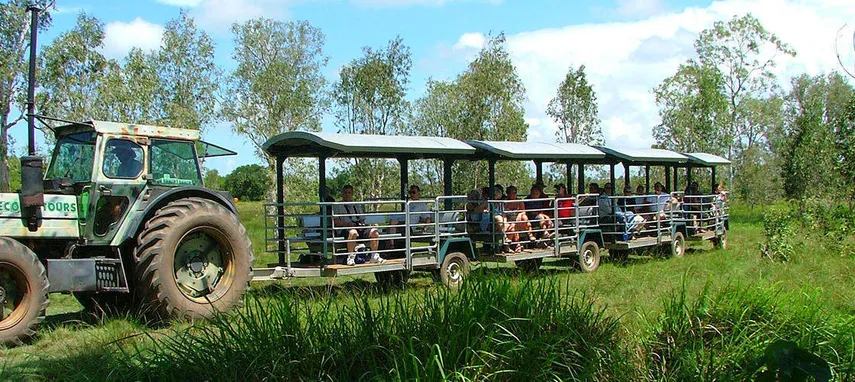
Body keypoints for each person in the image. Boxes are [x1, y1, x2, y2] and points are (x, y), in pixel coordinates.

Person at [332, 185, 386, 266]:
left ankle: (374, 255)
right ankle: (350, 257)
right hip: (344, 229)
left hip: (358, 228)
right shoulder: (337, 205)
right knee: (353, 232)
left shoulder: (356, 205)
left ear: (352, 193)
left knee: (374, 231)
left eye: (349, 193)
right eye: (345, 193)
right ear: (342, 194)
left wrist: (362, 225)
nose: (347, 194)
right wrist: (348, 224)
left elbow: (362, 219)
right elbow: (336, 221)